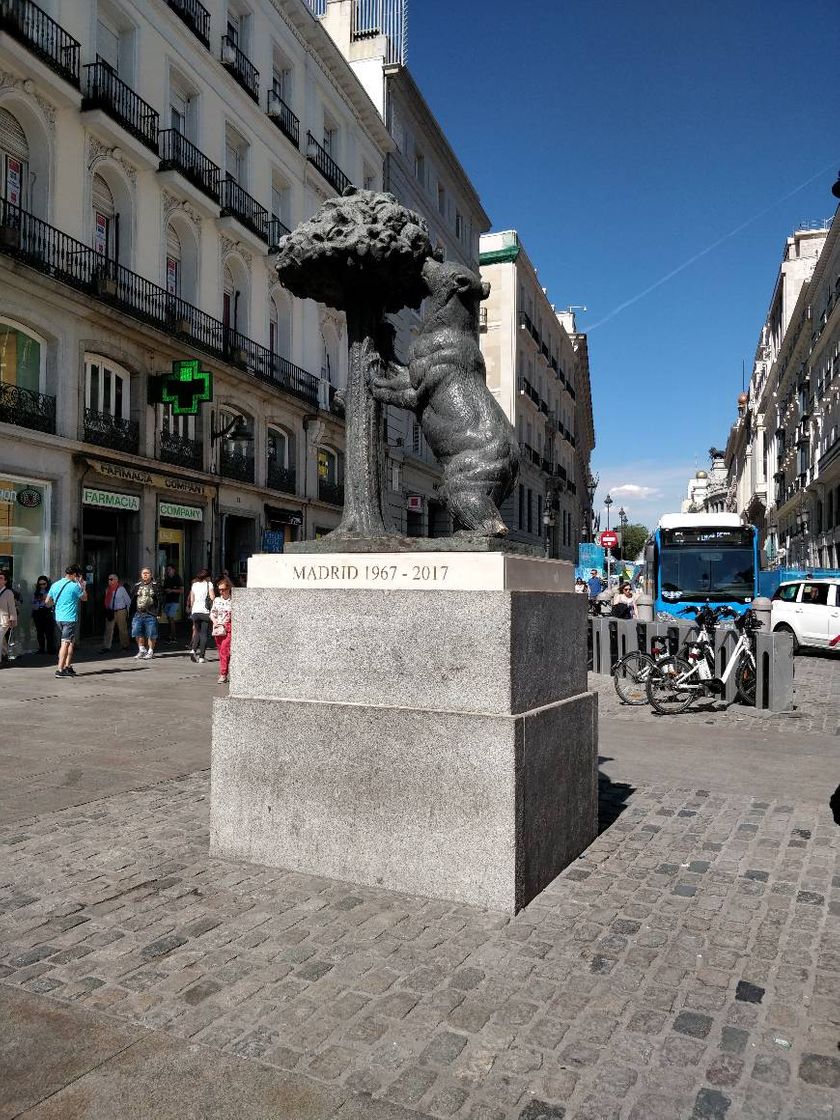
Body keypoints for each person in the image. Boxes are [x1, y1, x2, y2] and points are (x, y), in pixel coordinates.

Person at [46, 564, 87, 678]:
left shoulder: (55, 584)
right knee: (65, 643)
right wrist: (82, 586)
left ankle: (67, 666)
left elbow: (47, 602)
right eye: (78, 575)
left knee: (70, 642)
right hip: (69, 618)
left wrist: (59, 604)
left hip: (59, 617)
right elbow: (84, 598)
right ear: (75, 574)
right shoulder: (75, 586)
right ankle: (60, 669)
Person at [130, 567, 162, 660]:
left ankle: (151, 651)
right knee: (137, 632)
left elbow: (161, 599)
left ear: (151, 574)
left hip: (151, 613)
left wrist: (158, 612)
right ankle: (142, 650)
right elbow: (133, 599)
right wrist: (131, 612)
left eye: (147, 573)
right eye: (143, 573)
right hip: (138, 613)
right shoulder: (137, 585)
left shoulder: (156, 585)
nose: (145, 574)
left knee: (151, 633)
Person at [187, 568, 215, 664]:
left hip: (195, 611)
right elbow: (212, 598)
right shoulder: (209, 584)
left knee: (197, 631)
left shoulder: (194, 585)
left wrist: (191, 610)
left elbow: (192, 600)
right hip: (205, 612)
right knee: (204, 634)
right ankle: (201, 657)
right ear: (207, 576)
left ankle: (193, 649)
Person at [210, 576, 233, 683]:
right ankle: (225, 671)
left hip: (228, 628)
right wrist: (215, 622)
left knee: (224, 650)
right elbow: (212, 613)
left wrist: (226, 622)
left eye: (223, 589)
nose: (221, 592)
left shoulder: (233, 601)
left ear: (228, 589)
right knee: (221, 652)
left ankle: (223, 674)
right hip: (218, 629)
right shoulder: (217, 600)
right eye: (219, 589)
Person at [101, 574, 131, 652]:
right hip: (111, 611)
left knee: (122, 629)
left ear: (116, 580)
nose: (109, 581)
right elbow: (107, 601)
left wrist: (128, 612)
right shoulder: (107, 589)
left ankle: (125, 645)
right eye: (109, 579)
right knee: (108, 629)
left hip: (121, 611)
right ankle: (106, 647)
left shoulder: (121, 589)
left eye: (111, 579)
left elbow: (128, 601)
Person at [31, 575, 56, 655]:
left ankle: (50, 649)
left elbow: (53, 602)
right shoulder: (36, 592)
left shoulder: (50, 591)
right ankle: (41, 648)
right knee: (40, 631)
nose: (42, 586)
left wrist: (46, 599)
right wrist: (38, 600)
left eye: (44, 584)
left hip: (47, 611)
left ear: (47, 583)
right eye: (40, 584)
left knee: (49, 632)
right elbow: (33, 603)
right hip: (38, 612)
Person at [0, 569, 18, 664]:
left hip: (4, 620)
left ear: (5, 581)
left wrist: (13, 619)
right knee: (2, 640)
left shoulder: (8, 592)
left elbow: (12, 607)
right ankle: (4, 655)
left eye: (1, 578)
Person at [162, 564, 183, 644]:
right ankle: (169, 635)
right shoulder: (167, 579)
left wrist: (172, 590)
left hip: (175, 601)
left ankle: (173, 636)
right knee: (169, 619)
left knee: (171, 618)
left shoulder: (177, 578)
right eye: (167, 569)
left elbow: (181, 590)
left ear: (174, 570)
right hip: (167, 600)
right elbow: (164, 589)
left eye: (169, 569)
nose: (168, 571)